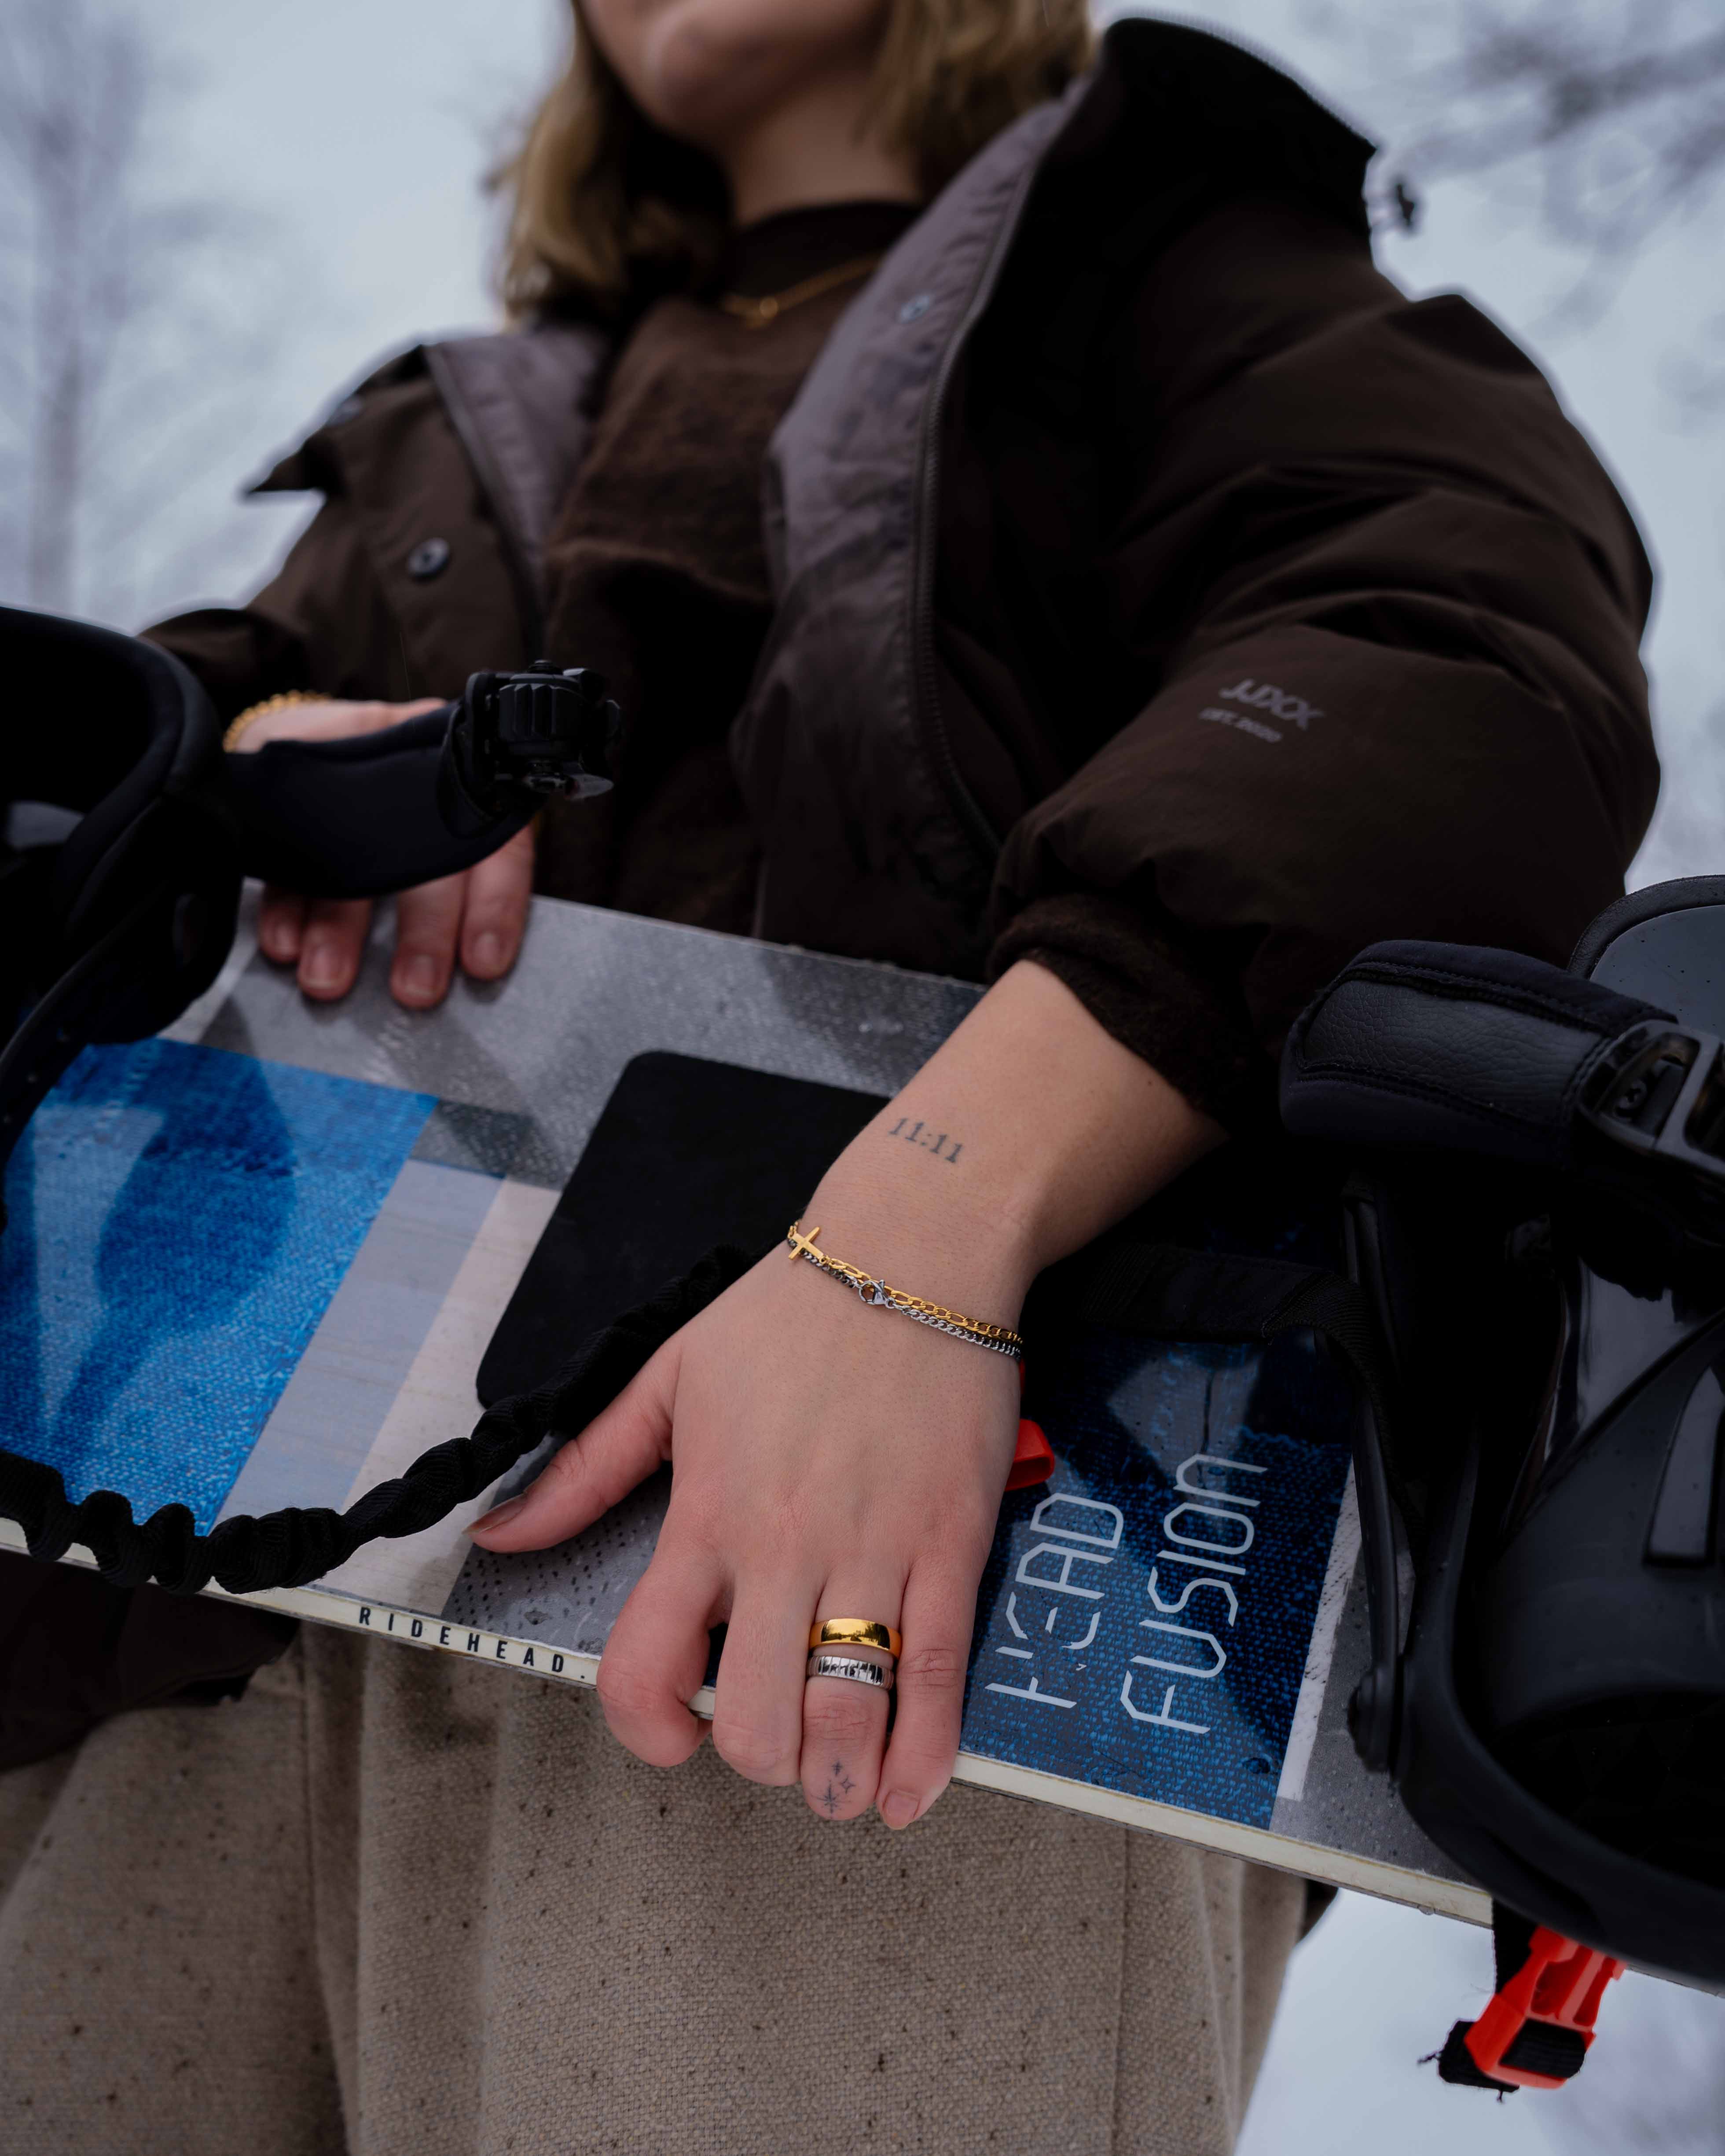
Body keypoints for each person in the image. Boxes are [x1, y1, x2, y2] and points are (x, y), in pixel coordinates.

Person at [0, 3, 1656, 2150]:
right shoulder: (440, 420)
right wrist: (225, 764)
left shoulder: (1185, 268)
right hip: (155, 1642)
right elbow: (100, 772)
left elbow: (1447, 655)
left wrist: (920, 1233)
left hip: (878, 1612)